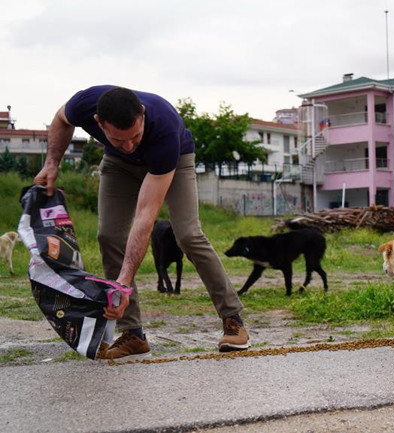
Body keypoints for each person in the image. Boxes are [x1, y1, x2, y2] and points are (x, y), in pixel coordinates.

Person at [34, 85, 250, 360]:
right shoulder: (84, 104)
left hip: (173, 160)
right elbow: (61, 119)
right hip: (118, 165)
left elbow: (145, 216)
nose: (129, 144)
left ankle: (233, 320)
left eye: (134, 136)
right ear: (98, 122)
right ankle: (132, 333)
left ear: (143, 115)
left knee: (188, 235)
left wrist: (123, 282)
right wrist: (52, 162)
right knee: (109, 237)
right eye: (117, 138)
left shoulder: (164, 128)